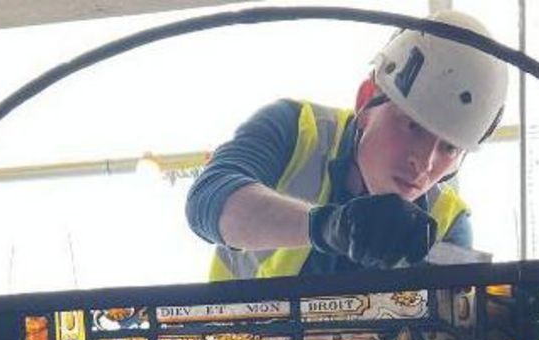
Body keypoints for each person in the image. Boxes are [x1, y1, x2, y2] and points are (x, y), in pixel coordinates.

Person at [185, 10, 508, 280]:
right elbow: (207, 202)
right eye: (412, 126)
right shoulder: (296, 130)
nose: (424, 163)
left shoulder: (447, 224)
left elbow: (459, 318)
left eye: (449, 148)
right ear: (366, 100)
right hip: (238, 338)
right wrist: (329, 227)